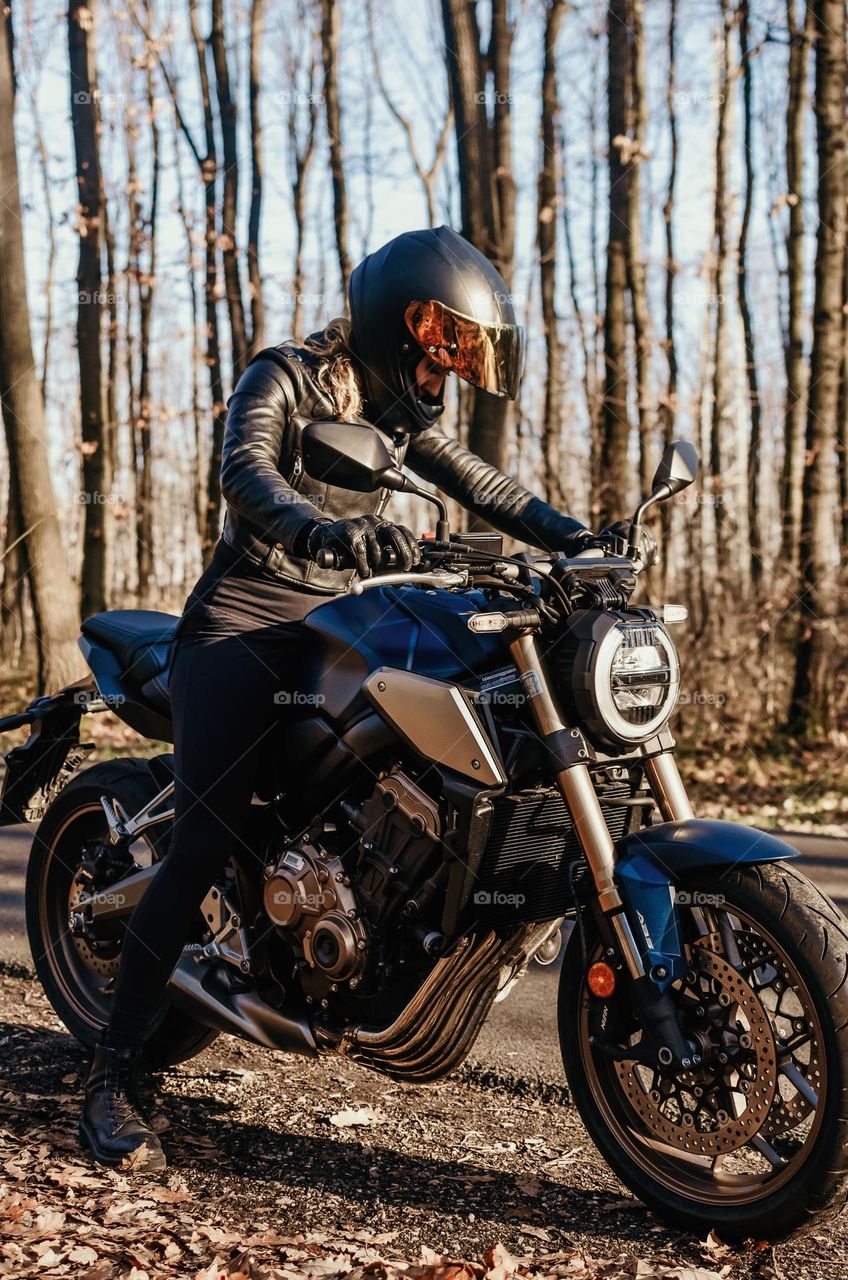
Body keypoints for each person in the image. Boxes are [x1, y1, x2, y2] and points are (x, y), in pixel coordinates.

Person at [79, 226, 654, 1170]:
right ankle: (113, 1075)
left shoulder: (400, 419)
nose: (448, 370)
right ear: (398, 325)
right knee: (205, 837)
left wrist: (580, 537)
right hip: (246, 619)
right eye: (441, 345)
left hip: (338, 616)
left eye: (462, 352)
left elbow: (482, 485)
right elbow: (247, 471)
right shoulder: (288, 375)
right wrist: (325, 533)